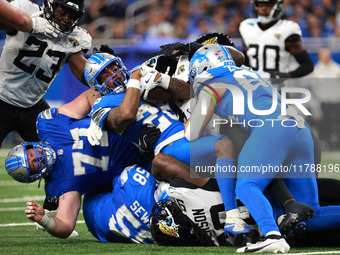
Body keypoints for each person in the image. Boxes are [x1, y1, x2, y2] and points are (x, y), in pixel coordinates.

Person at [85, 50, 262, 245]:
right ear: (97, 83)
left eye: (114, 66)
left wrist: (161, 78)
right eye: (106, 73)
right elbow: (126, 115)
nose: (114, 73)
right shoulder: (101, 104)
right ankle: (231, 216)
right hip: (168, 145)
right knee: (223, 145)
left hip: (190, 135)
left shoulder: (143, 81)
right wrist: (135, 80)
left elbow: (188, 91)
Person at [185, 43, 340, 253]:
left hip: (272, 127)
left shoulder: (211, 82)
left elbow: (191, 133)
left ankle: (272, 235)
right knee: (311, 214)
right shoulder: (249, 72)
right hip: (299, 126)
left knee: (246, 185)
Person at [5, 86, 149, 239]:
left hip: (132, 125)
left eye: (31, 153)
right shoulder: (60, 183)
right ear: (35, 177)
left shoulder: (49, 125)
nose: (37, 157)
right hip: (139, 168)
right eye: (34, 164)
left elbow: (90, 95)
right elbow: (66, 225)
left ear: (29, 145)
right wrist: (44, 219)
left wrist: (99, 117)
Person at [0, 0, 91, 149]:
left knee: (58, 155)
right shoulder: (28, 11)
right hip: (2, 98)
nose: (66, 18)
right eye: (62, 12)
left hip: (32, 105)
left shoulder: (76, 37)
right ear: (51, 6)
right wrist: (30, 23)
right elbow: (8, 21)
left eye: (72, 15)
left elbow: (83, 72)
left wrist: (100, 69)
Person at [239, 0, 314, 84]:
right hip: (254, 89)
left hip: (277, 90)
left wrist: (285, 76)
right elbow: (247, 59)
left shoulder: (287, 29)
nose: (264, 9)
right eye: (261, 5)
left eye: (268, 5)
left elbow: (308, 65)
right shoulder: (247, 27)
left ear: (278, 7)